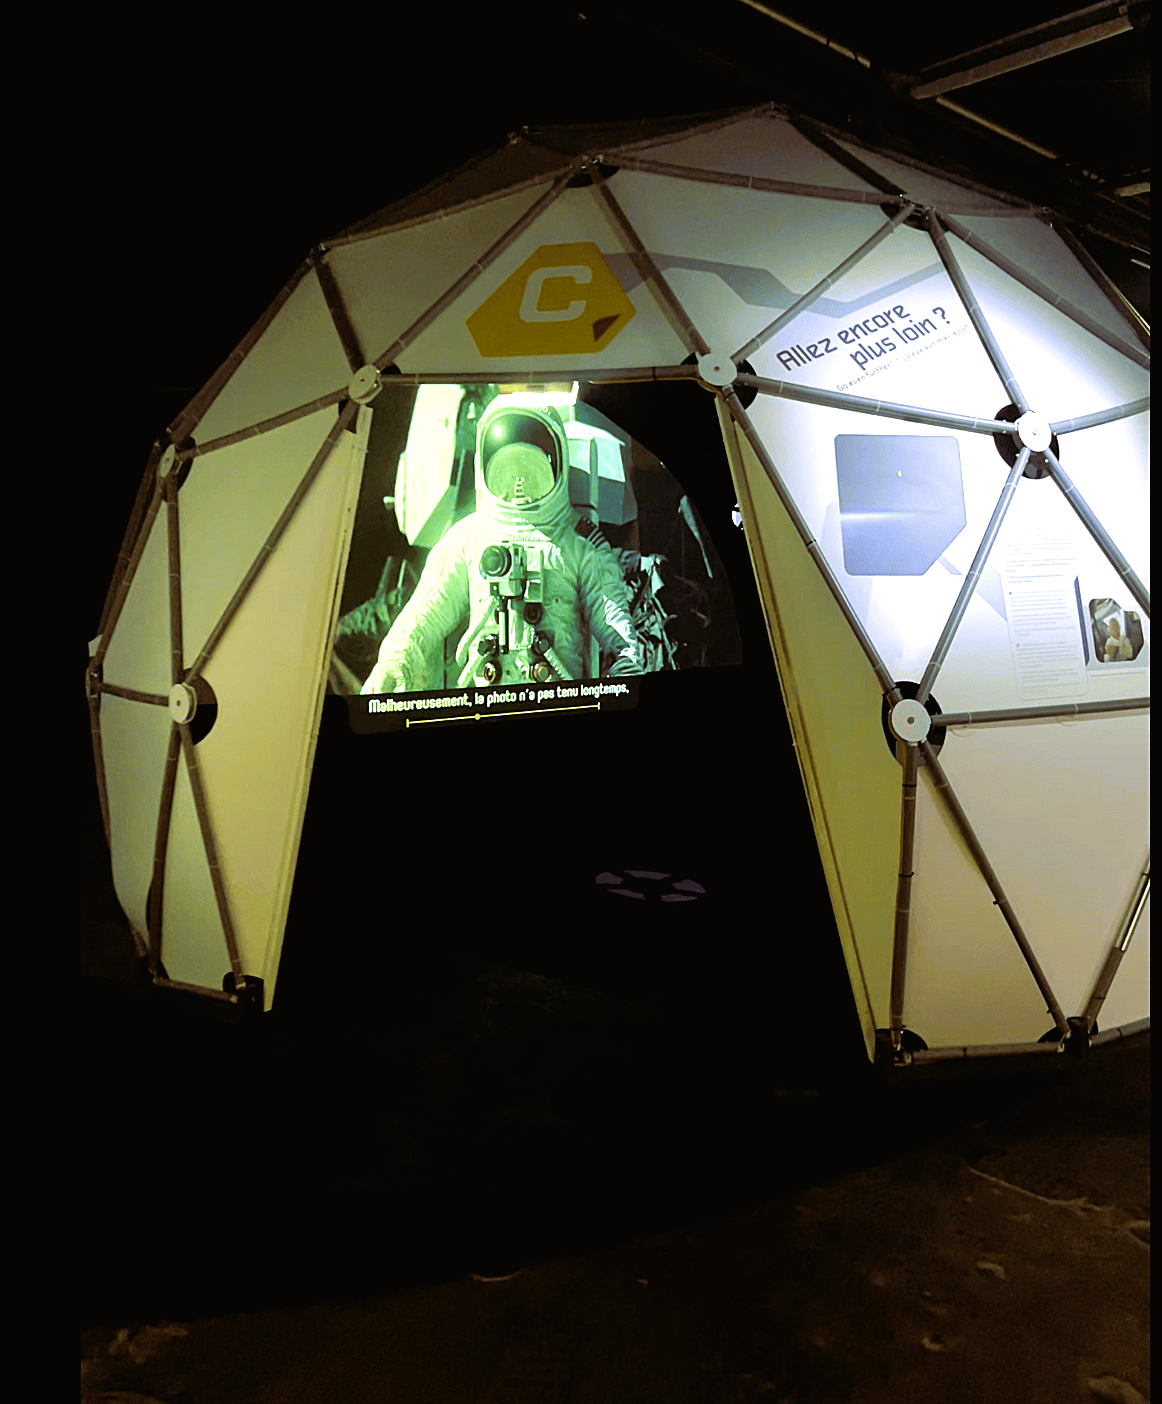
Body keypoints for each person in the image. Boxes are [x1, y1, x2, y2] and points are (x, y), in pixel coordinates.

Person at [361, 398, 644, 694]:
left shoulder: (578, 542)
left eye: (529, 469)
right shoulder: (468, 538)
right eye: (508, 470)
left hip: (559, 700)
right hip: (487, 704)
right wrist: (394, 660)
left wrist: (626, 666)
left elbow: (611, 616)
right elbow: (427, 609)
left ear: (555, 465)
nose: (519, 483)